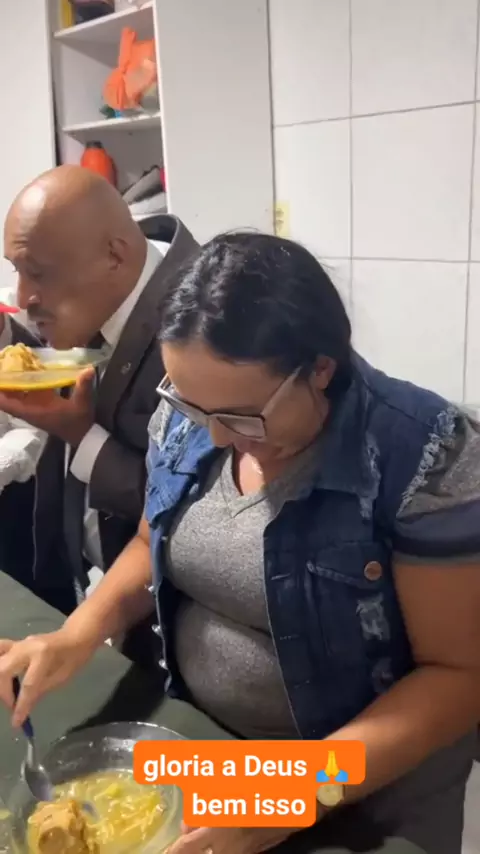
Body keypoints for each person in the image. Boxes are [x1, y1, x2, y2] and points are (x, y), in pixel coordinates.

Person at [1, 233, 480, 854]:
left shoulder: (424, 455)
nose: (218, 438)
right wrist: (76, 635)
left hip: (359, 792)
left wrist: (295, 792)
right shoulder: (198, 407)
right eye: (193, 409)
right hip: (208, 749)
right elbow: (151, 540)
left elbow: (459, 677)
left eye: (241, 416)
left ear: (321, 370)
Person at [0, 165, 198, 628]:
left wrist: (81, 436)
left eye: (37, 274)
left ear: (114, 254)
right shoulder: (108, 284)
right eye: (16, 271)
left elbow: (194, 512)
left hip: (162, 623)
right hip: (87, 586)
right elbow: (63, 351)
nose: (22, 296)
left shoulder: (200, 328)